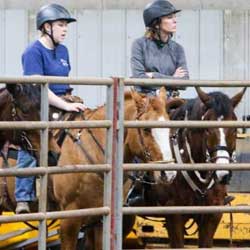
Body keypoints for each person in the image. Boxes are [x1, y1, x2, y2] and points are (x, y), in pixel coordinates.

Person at [15, 3, 85, 214]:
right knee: (32, 141)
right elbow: (39, 89)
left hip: (64, 100)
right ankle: (23, 196)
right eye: (61, 25)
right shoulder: (33, 52)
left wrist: (71, 102)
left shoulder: (63, 50)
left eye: (66, 26)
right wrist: (66, 105)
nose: (65, 29)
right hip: (39, 105)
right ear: (46, 27)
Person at [131, 0, 189, 96]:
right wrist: (173, 79)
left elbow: (184, 82)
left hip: (170, 100)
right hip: (145, 100)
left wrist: (154, 75)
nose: (175, 21)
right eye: (169, 17)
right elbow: (139, 78)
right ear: (156, 24)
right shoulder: (139, 45)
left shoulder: (178, 49)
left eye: (175, 17)